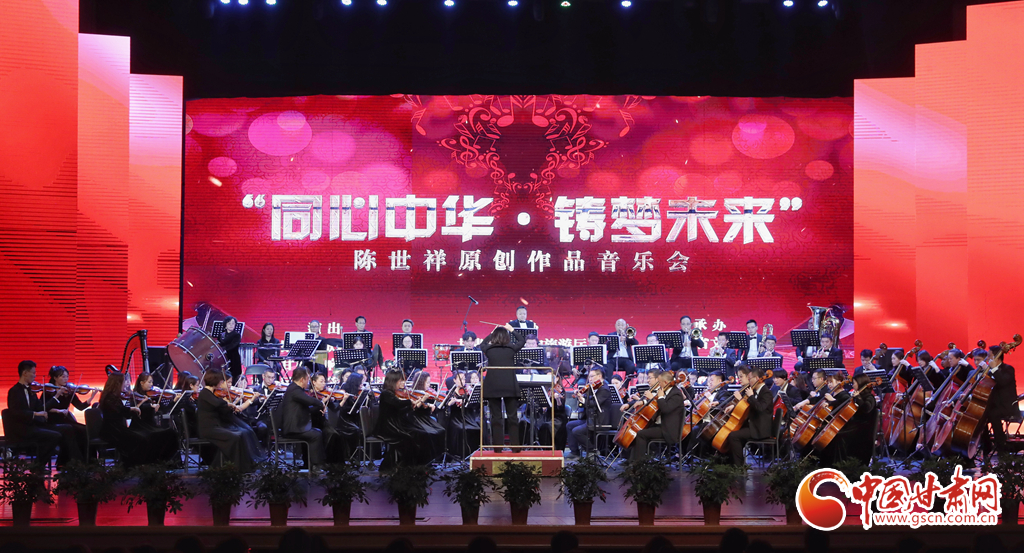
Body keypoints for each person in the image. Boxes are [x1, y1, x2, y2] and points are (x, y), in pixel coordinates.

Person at [6, 360, 82, 466]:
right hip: (23, 428)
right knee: (54, 436)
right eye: (33, 373)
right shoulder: (14, 391)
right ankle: (38, 466)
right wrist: (35, 414)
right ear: (25, 373)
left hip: (36, 425)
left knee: (68, 428)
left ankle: (72, 463)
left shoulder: (32, 391)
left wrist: (56, 396)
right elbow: (15, 412)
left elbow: (42, 407)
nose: (35, 375)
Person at [98, 371, 177, 467]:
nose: (125, 384)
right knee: (141, 439)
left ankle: (145, 464)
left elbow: (125, 413)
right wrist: (132, 408)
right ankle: (132, 466)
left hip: (118, 428)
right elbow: (119, 410)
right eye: (124, 381)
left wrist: (134, 409)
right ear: (117, 383)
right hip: (112, 430)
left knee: (144, 438)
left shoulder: (114, 397)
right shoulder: (109, 398)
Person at [197, 370, 264, 471]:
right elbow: (217, 403)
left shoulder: (210, 393)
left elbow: (220, 406)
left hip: (216, 427)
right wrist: (229, 404)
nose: (221, 382)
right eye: (220, 380)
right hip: (208, 429)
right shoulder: (204, 393)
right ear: (215, 380)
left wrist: (232, 403)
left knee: (241, 434)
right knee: (235, 437)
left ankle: (242, 466)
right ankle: (233, 467)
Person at [373, 370, 440, 468]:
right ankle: (407, 465)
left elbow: (401, 411)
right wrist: (410, 401)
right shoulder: (386, 393)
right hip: (388, 426)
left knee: (422, 433)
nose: (403, 383)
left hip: (397, 423)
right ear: (393, 381)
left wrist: (416, 403)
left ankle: (420, 464)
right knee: (415, 434)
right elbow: (398, 404)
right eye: (401, 381)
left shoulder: (395, 393)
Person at [480, 323, 525, 449]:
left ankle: (498, 448)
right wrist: (512, 330)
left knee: (496, 417)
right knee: (512, 417)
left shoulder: (488, 349)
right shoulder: (511, 348)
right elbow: (522, 341)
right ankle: (515, 447)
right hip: (509, 385)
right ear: (507, 337)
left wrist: (491, 334)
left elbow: (482, 344)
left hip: (493, 386)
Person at [818, 373, 877, 465]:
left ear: (860, 383)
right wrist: (830, 403)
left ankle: (839, 464)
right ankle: (828, 463)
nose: (852, 385)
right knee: (832, 433)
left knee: (837, 436)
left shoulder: (869, 397)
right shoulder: (857, 394)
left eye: (854, 383)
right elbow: (843, 403)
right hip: (854, 425)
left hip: (863, 428)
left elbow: (866, 409)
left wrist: (858, 398)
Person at [628, 370, 686, 462]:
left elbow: (665, 409)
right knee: (638, 431)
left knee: (641, 434)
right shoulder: (667, 391)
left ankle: (638, 463)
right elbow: (657, 404)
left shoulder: (676, 394)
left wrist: (660, 397)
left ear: (665, 382)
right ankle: (631, 461)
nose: (658, 384)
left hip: (668, 430)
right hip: (661, 426)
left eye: (659, 382)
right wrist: (645, 401)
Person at [721, 365, 773, 465]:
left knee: (733, 436)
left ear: (757, 378)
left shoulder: (766, 392)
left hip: (760, 429)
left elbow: (760, 408)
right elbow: (749, 407)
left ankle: (738, 466)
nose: (749, 382)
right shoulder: (756, 391)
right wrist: (735, 406)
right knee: (731, 432)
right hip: (753, 425)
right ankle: (730, 463)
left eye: (750, 379)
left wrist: (751, 396)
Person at [279, 367, 326, 468]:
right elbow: (309, 400)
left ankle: (308, 464)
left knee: (315, 432)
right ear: (302, 380)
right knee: (316, 435)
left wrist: (318, 408)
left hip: (297, 426)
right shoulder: (294, 390)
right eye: (308, 379)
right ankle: (316, 465)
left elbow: (306, 409)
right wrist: (321, 403)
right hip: (292, 429)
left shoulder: (295, 389)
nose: (308, 382)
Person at [980, 344, 1018, 459]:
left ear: (996, 357)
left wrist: (994, 369)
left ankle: (1001, 446)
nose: (987, 359)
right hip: (994, 405)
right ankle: (986, 445)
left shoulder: (1008, 369)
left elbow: (1002, 382)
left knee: (993, 414)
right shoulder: (990, 371)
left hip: (1007, 406)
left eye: (989, 356)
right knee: (980, 415)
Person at [566, 368, 613, 458]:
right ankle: (574, 452)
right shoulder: (593, 387)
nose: (590, 379)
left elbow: (594, 404)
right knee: (569, 425)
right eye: (589, 377)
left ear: (599, 376)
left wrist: (583, 399)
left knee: (577, 431)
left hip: (599, 420)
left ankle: (592, 451)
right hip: (590, 419)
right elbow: (585, 402)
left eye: (592, 376)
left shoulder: (604, 389)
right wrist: (580, 397)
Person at [407, 372, 446, 462]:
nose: (429, 385)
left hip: (425, 418)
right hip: (416, 419)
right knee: (431, 432)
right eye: (427, 382)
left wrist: (431, 406)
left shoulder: (427, 393)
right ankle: (428, 458)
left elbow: (432, 409)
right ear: (421, 382)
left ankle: (436, 457)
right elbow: (414, 409)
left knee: (441, 430)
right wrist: (426, 403)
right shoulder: (413, 394)